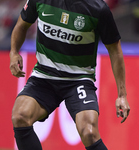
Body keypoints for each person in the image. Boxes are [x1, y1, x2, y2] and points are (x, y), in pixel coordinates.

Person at [9, 0, 130, 149]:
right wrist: (14, 52)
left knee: (89, 132)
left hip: (79, 79)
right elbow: (22, 25)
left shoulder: (98, 9)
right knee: (19, 116)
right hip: (44, 76)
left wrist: (122, 95)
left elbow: (115, 51)